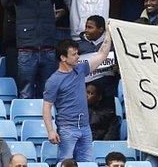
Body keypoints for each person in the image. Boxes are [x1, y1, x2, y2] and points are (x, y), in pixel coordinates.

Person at [4, 0, 65, 99]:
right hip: (27, 51)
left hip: (48, 50)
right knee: (26, 90)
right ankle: (27, 119)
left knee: (47, 90)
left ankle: (45, 121)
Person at [43, 32, 113, 162]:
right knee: (66, 162)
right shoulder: (53, 81)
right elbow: (46, 108)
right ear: (63, 58)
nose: (78, 56)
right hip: (67, 128)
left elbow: (102, 55)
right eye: (74, 54)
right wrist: (50, 131)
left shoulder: (80, 69)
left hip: (85, 127)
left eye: (77, 53)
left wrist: (108, 34)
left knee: (86, 163)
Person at [77, 15, 118, 99]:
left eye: (90, 27)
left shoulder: (112, 45)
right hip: (84, 89)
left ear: (101, 29)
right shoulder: (78, 46)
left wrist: (116, 68)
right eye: (86, 27)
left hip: (107, 88)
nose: (86, 30)